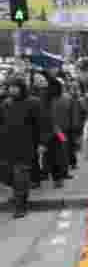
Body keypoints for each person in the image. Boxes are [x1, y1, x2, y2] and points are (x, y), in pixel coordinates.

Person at [2, 77, 44, 218]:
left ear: (22, 88)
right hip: (7, 147)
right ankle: (18, 197)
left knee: (21, 176)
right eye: (10, 87)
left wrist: (41, 144)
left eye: (15, 87)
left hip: (26, 146)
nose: (12, 90)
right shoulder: (6, 104)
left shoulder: (33, 103)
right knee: (9, 176)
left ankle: (21, 206)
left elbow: (41, 125)